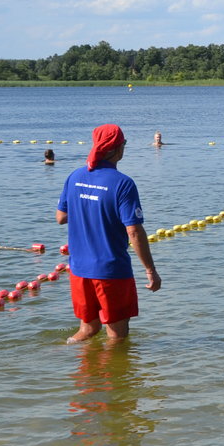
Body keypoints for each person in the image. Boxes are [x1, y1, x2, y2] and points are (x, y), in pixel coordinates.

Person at [56, 124, 161, 343]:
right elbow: (133, 231)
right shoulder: (123, 184)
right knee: (117, 336)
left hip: (79, 269)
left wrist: (88, 205)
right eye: (124, 143)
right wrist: (150, 270)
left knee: (88, 329)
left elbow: (61, 218)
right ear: (116, 149)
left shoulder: (75, 176)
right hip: (111, 271)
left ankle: (70, 362)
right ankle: (110, 376)